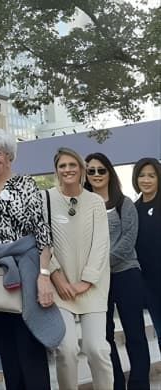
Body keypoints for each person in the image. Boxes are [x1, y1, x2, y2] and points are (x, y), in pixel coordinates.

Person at [0, 129, 61, 390]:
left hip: (26, 273)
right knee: (7, 351)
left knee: (29, 348)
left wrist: (44, 276)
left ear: (9, 157)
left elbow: (42, 233)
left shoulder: (25, 185)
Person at [47, 147, 113, 390]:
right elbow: (42, 243)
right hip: (59, 287)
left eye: (72, 165)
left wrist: (86, 281)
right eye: (62, 166)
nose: (68, 170)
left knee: (97, 349)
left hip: (91, 287)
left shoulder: (95, 201)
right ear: (56, 170)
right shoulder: (46, 199)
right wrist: (59, 279)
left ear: (81, 169)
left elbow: (101, 244)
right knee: (66, 349)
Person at [84, 152, 150, 390]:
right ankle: (116, 385)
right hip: (96, 283)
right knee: (105, 338)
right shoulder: (81, 206)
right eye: (91, 170)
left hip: (126, 275)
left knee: (135, 335)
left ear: (109, 172)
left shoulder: (125, 204)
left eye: (101, 170)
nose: (96, 175)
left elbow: (128, 241)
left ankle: (140, 385)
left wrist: (99, 266)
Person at [133, 157, 161, 354]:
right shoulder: (133, 210)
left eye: (151, 175)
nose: (146, 180)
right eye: (142, 175)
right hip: (151, 286)